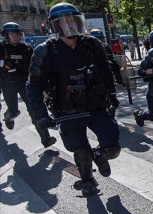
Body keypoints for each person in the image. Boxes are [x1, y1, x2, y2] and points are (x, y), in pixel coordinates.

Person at [27, 3, 121, 197]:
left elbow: (106, 72)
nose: (69, 25)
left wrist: (112, 96)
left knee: (112, 145)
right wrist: (41, 116)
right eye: (64, 22)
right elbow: (33, 87)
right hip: (67, 111)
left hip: (95, 106)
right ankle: (87, 181)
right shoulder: (44, 52)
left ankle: (100, 155)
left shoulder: (93, 45)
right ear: (55, 26)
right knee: (80, 150)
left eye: (72, 20)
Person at [0, 22, 56, 146]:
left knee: (34, 109)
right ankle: (8, 116)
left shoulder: (26, 48)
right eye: (12, 34)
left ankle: (45, 138)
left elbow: (35, 65)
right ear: (6, 35)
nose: (15, 36)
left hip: (23, 82)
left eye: (17, 34)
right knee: (14, 110)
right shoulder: (2, 48)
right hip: (8, 83)